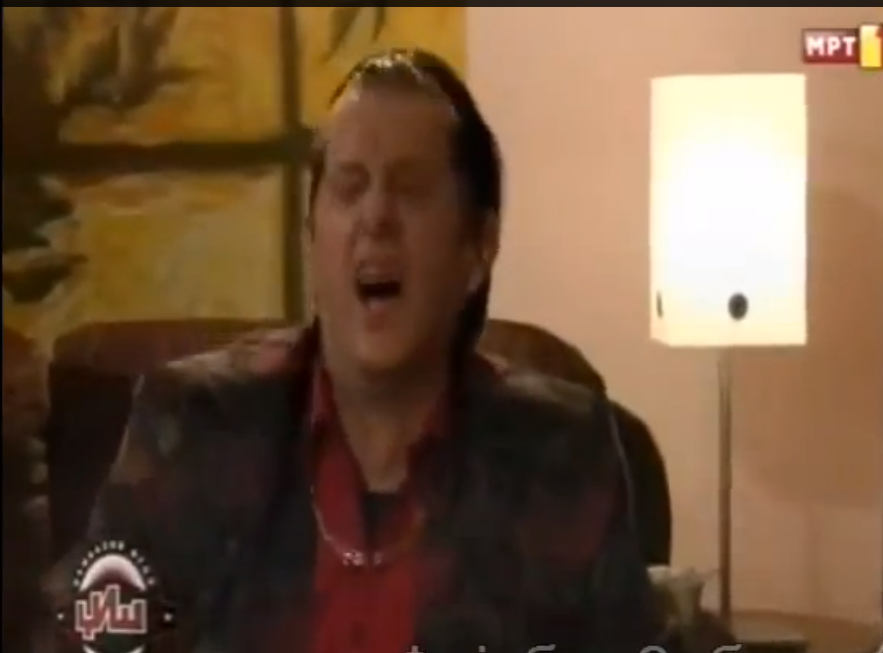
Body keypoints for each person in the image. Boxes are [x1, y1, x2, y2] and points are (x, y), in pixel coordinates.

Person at [39, 48, 668, 653]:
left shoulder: (560, 454)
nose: (375, 217)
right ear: (313, 238)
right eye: (348, 187)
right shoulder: (195, 426)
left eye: (410, 188)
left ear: (478, 248)